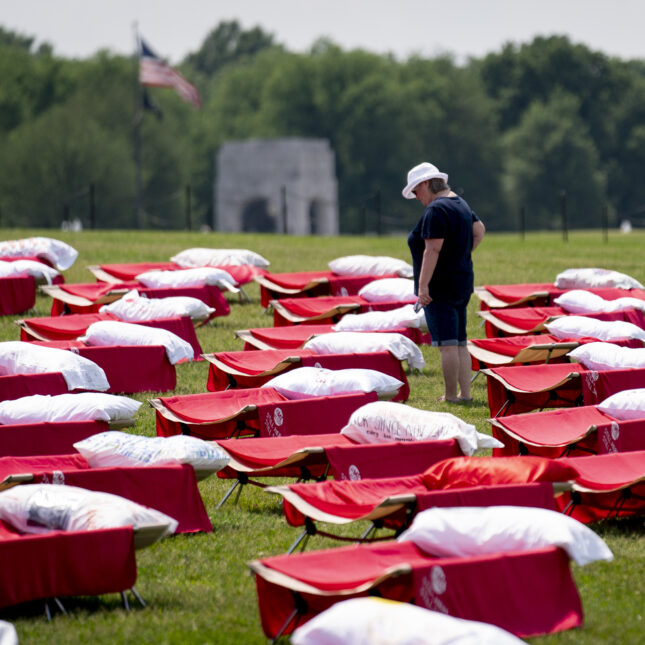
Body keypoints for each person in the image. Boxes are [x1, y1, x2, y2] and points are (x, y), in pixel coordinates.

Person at [403, 162, 485, 403]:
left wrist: (423, 287)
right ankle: (465, 394)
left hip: (440, 286)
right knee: (459, 342)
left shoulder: (436, 210)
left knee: (446, 345)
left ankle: (450, 396)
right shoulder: (460, 203)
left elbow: (432, 250)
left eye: (416, 192)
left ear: (425, 184)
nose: (418, 198)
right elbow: (479, 230)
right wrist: (461, 255)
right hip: (461, 281)